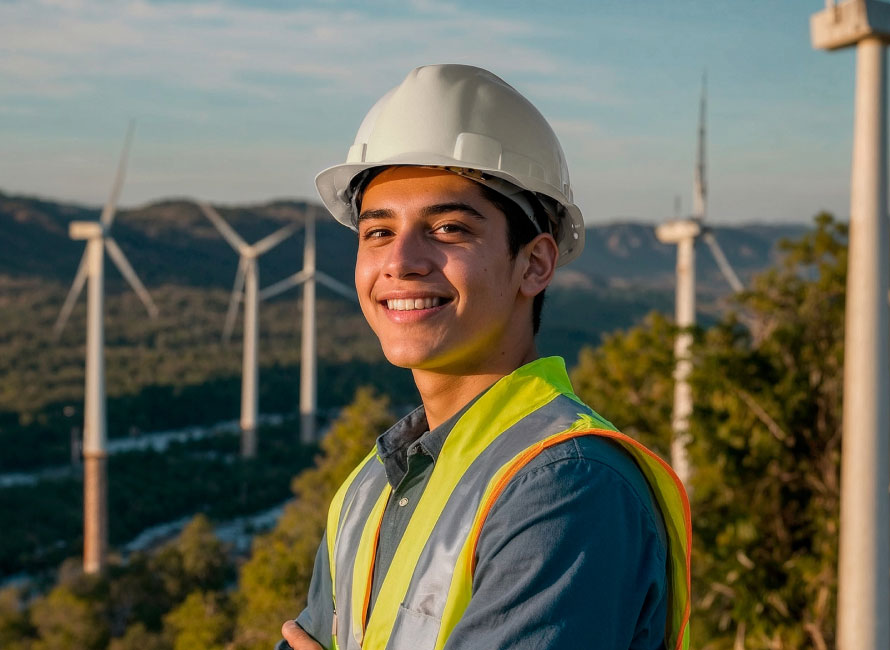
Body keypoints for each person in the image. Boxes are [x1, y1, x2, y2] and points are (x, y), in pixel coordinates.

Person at [278, 64, 691, 650]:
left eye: (447, 229)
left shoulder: (567, 486)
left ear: (536, 263)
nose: (401, 261)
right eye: (377, 232)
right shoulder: (371, 486)